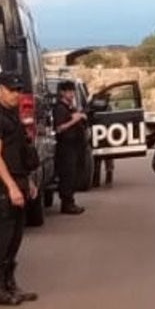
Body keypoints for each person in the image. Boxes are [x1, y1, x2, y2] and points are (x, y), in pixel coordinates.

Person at [0, 74, 39, 306]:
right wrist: (11, 187)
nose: (16, 94)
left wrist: (30, 183)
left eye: (18, 89)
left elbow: (21, 154)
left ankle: (9, 284)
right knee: (3, 239)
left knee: (15, 238)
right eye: (11, 90)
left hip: (20, 181)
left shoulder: (14, 118)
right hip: (4, 187)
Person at [52, 80, 87, 214]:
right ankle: (67, 203)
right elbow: (60, 128)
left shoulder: (70, 107)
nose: (71, 94)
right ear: (62, 93)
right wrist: (75, 119)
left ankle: (70, 201)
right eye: (68, 91)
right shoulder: (60, 108)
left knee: (73, 175)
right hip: (66, 147)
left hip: (74, 146)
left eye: (72, 91)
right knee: (67, 175)